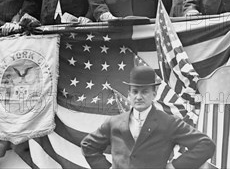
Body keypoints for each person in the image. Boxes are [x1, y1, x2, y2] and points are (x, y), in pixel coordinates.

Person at [81, 66, 215, 169]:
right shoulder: (114, 122)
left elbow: (206, 145)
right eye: (135, 92)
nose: (139, 97)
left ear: (154, 94)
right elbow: (88, 145)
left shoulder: (168, 123)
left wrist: (174, 166)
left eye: (144, 91)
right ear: (129, 94)